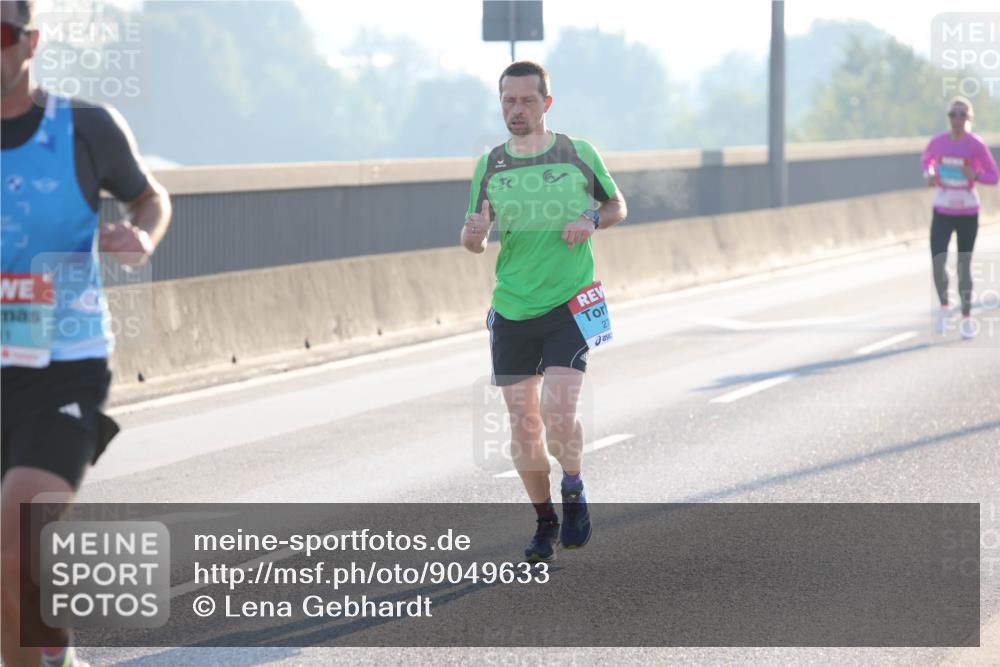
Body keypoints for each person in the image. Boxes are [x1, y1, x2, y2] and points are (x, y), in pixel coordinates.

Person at [1, 1, 172, 665]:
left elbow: (150, 196)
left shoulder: (82, 128)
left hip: (63, 364)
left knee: (14, 546)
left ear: (31, 42)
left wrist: (140, 236)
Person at [461, 61, 627, 563]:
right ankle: (543, 522)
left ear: (546, 104)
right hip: (512, 307)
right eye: (508, 101)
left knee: (558, 416)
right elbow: (476, 235)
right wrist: (471, 238)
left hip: (570, 303)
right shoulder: (490, 165)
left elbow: (618, 205)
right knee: (524, 426)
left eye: (526, 101)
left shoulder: (577, 153)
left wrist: (592, 217)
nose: (516, 109)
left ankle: (573, 487)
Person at [922, 96, 998, 339]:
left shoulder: (975, 145)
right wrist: (930, 174)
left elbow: (993, 177)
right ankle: (945, 308)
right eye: (952, 114)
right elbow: (927, 161)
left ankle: (966, 316)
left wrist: (974, 174)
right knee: (937, 259)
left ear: (969, 118)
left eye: (961, 114)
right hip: (943, 208)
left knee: (963, 265)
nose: (956, 119)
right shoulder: (938, 142)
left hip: (967, 211)